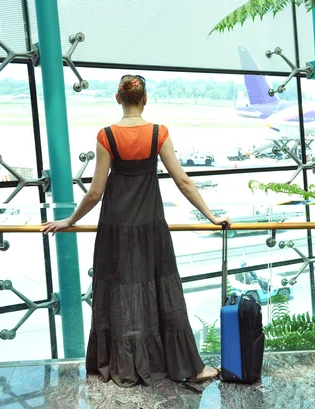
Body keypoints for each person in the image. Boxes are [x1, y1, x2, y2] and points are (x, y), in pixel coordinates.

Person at [40, 74, 231, 387]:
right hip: (150, 225)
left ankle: (119, 363)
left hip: (114, 227)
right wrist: (211, 215)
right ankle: (184, 365)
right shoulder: (159, 133)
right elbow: (183, 181)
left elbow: (94, 193)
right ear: (145, 99)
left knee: (119, 291)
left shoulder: (106, 136)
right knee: (161, 289)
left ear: (118, 99)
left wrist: (69, 221)